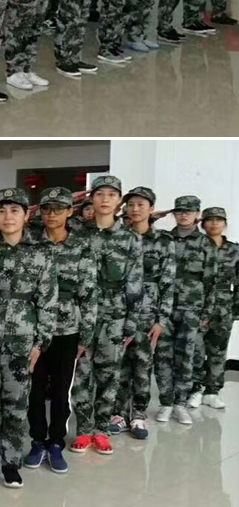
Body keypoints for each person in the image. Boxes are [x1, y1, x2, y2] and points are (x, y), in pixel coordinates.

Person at [0, 187, 56, 490]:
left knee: (16, 404)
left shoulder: (41, 252)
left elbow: (48, 301)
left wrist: (40, 343)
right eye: (2, 210)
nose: (8, 217)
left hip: (21, 340)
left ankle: (10, 463)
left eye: (15, 210)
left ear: (26, 216)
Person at [70, 175, 143, 456]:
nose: (105, 200)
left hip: (115, 315)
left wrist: (131, 323)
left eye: (112, 195)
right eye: (100, 194)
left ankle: (101, 430)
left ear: (119, 201)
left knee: (109, 375)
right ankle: (83, 430)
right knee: (81, 374)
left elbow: (135, 283)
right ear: (91, 198)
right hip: (80, 313)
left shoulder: (130, 239)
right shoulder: (78, 233)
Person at [26, 187, 96, 475]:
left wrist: (86, 334)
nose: (52, 214)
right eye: (46, 209)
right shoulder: (30, 242)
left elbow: (88, 293)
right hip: (32, 329)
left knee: (60, 390)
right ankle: (37, 441)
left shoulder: (81, 246)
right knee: (33, 389)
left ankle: (56, 442)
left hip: (67, 329)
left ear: (70, 211)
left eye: (58, 209)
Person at [110, 186, 174, 440]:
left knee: (142, 366)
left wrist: (161, 320)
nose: (135, 209)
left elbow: (168, 282)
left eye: (140, 205)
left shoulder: (163, 241)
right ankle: (117, 413)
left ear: (151, 209)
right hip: (120, 310)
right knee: (119, 365)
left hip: (148, 314)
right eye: (131, 205)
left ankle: (138, 414)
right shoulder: (119, 237)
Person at [155, 195, 216, 425]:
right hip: (164, 307)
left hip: (192, 307)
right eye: (179, 211)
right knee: (162, 356)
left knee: (185, 357)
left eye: (188, 211)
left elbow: (211, 280)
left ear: (197, 214)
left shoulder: (205, 244)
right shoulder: (164, 239)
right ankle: (165, 403)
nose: (183, 215)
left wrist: (206, 312)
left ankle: (180, 403)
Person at [192, 206, 238, 408]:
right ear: (202, 224)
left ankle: (212, 391)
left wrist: (235, 309)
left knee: (218, 350)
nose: (214, 223)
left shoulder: (235, 250)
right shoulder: (196, 247)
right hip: (198, 304)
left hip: (223, 306)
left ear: (225, 224)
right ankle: (195, 388)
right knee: (195, 348)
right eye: (210, 220)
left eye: (218, 220)